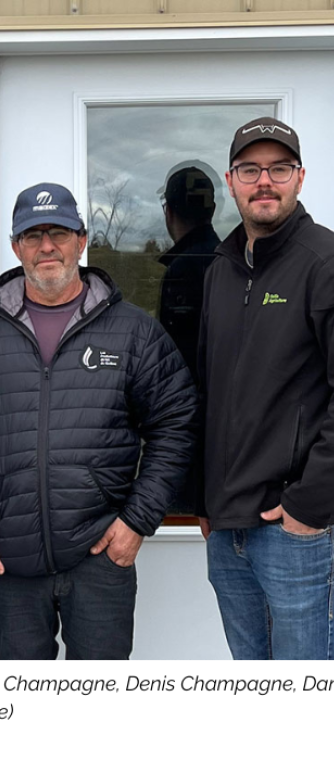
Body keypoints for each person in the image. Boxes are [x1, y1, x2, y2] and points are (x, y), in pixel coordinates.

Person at [0, 182, 198, 661]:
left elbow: (175, 423)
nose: (46, 246)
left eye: (58, 232)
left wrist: (137, 520)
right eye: (32, 235)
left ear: (82, 239)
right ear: (16, 246)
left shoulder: (133, 330)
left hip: (99, 556)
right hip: (5, 557)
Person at [199, 117, 334, 661]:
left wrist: (310, 502)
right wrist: (203, 496)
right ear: (231, 182)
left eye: (278, 168)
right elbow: (211, 389)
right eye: (250, 169)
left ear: (300, 178)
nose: (264, 182)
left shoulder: (323, 263)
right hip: (227, 527)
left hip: (292, 529)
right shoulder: (222, 269)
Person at [159, 165, 221, 381]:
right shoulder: (228, 262)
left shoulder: (181, 270)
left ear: (169, 212)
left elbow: (177, 355)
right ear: (212, 210)